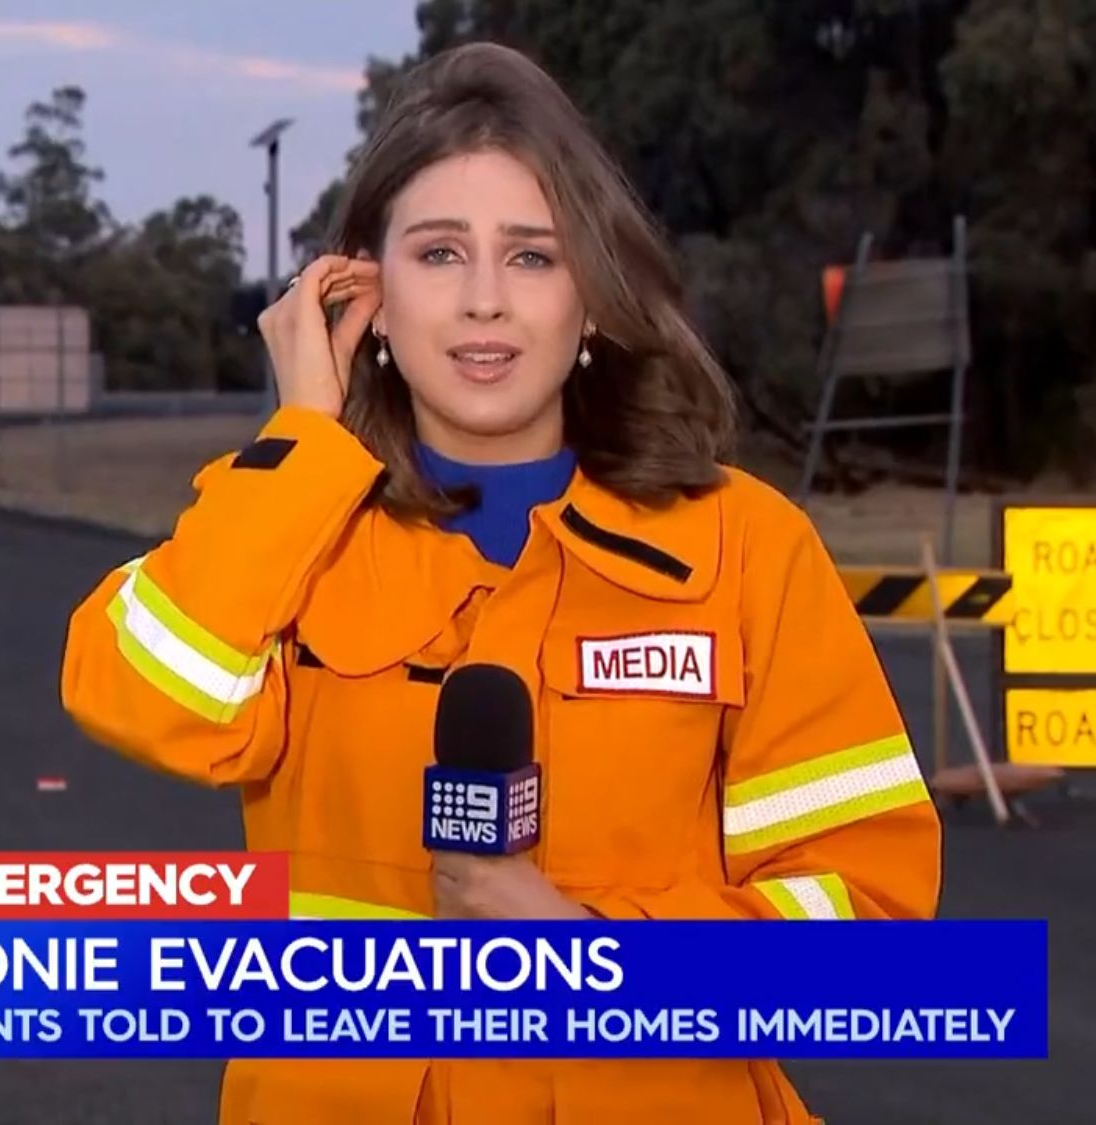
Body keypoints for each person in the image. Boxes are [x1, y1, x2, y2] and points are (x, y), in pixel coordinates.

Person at [60, 40, 942, 1125]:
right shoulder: (289, 528)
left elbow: (869, 933)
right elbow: (142, 699)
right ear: (367, 298)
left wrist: (600, 960)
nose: (484, 301)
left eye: (531, 256)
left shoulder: (745, 550)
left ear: (593, 298)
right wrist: (301, 438)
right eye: (438, 253)